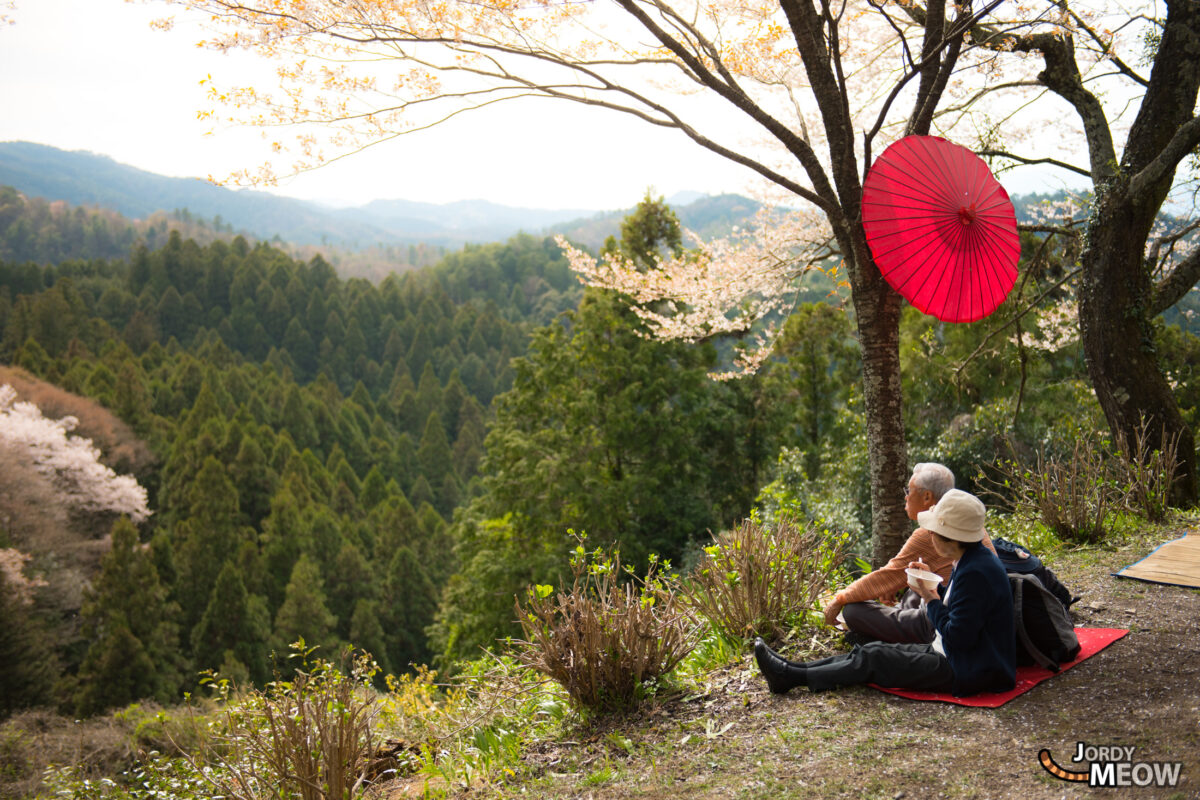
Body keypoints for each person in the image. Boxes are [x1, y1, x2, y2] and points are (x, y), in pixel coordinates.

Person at [755, 489, 1016, 697]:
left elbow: (959, 637)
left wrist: (930, 598)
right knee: (872, 649)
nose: (931, 537)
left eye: (935, 532)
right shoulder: (971, 558)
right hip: (958, 656)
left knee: (875, 658)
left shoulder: (976, 571)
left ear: (952, 537)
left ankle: (792, 677)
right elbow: (963, 608)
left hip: (968, 669)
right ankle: (791, 670)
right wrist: (935, 588)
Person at [822, 462, 994, 644]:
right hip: (966, 615)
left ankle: (891, 635)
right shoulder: (966, 526)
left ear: (927, 496)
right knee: (911, 591)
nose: (905, 497)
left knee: (852, 611)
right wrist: (891, 583)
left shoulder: (934, 532)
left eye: (908, 491)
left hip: (942, 622)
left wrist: (839, 599)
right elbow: (892, 577)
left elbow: (886, 576)